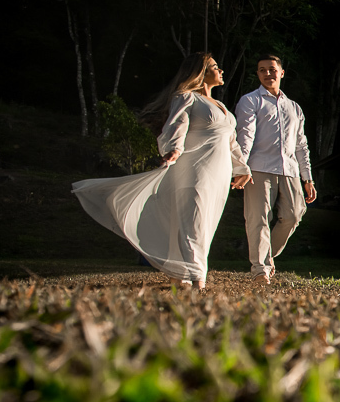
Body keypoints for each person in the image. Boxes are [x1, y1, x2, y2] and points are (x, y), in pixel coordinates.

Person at [72, 53, 253, 290]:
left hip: (218, 173)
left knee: (206, 222)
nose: (221, 70)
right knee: (194, 220)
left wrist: (242, 168)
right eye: (215, 67)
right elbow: (177, 125)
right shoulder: (186, 97)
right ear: (200, 72)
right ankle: (197, 279)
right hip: (193, 168)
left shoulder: (222, 107)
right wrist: (173, 150)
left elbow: (231, 142)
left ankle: (180, 276)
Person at [235, 55, 316, 285]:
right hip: (258, 168)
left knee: (294, 215)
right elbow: (246, 135)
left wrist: (307, 178)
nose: (267, 73)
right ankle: (260, 269)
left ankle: (267, 256)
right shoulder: (250, 101)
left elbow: (301, 145)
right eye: (262, 70)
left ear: (281, 72)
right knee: (258, 219)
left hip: (289, 170)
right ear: (258, 74)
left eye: (271, 69)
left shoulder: (294, 107)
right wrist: (241, 166)